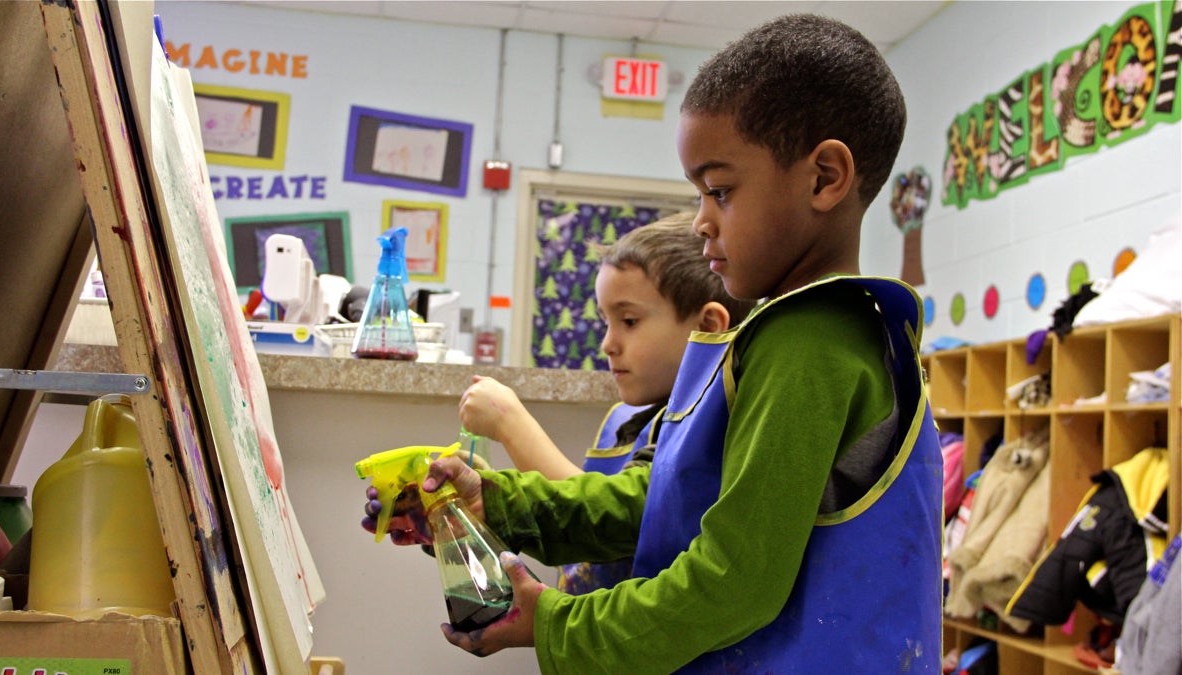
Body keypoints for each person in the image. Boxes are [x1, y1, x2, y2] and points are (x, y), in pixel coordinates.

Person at [371, 13, 943, 673]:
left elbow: (734, 580)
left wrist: (556, 621)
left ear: (824, 178)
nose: (701, 220)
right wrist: (498, 502)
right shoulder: (809, 333)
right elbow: (668, 497)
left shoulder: (808, 340)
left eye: (720, 190)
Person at [456, 213, 755, 594]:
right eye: (606, 322)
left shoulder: (715, 427)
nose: (607, 344)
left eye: (629, 321)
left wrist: (510, 424)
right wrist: (480, 489)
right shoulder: (631, 418)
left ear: (709, 327)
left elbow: (610, 519)